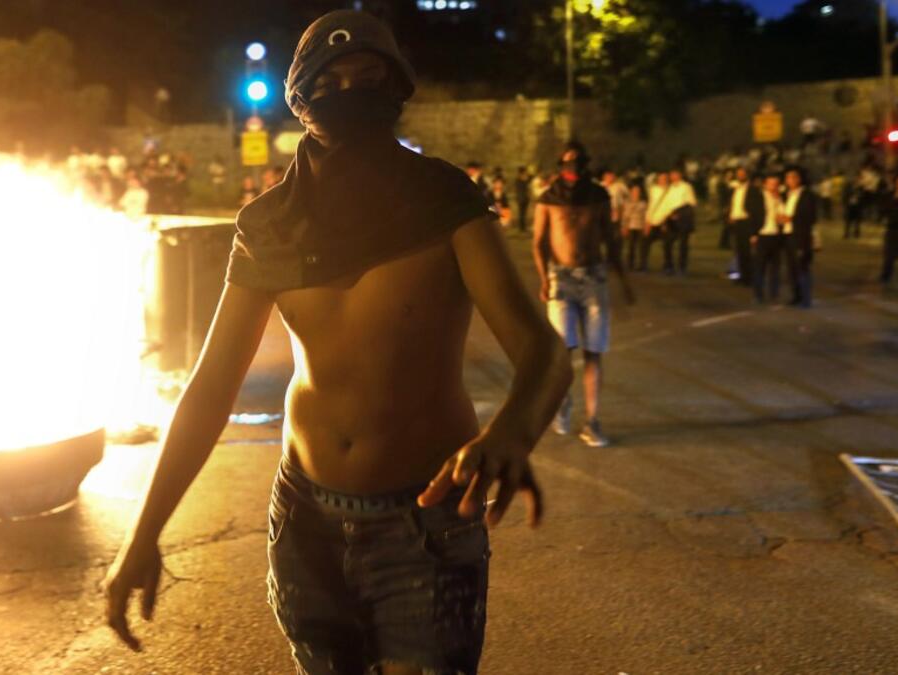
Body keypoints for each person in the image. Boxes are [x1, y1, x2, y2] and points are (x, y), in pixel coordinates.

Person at [104, 11, 572, 675]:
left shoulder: (445, 201)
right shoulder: (268, 226)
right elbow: (209, 389)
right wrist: (142, 535)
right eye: (333, 82)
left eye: (370, 78)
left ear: (398, 91)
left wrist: (512, 432)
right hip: (304, 521)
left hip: (424, 522)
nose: (351, 93)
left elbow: (544, 353)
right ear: (300, 102)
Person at [533, 142, 635, 448]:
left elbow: (611, 239)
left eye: (578, 162)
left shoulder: (598, 196)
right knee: (563, 350)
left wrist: (623, 280)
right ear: (559, 165)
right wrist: (543, 279)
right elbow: (538, 241)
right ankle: (563, 401)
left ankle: (592, 420)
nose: (573, 168)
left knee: (594, 351)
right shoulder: (548, 198)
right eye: (567, 162)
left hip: (594, 279)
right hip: (560, 280)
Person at [751, 173, 794, 304]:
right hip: (763, 234)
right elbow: (753, 216)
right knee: (760, 267)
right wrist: (753, 234)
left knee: (775, 267)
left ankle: (774, 292)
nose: (773, 186)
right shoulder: (759, 197)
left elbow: (785, 215)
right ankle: (758, 294)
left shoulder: (781, 198)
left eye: (776, 184)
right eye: (771, 184)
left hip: (777, 235)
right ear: (765, 184)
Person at [783, 167, 819, 307]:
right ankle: (796, 295)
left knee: (802, 267)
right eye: (788, 178)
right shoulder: (787, 195)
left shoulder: (807, 195)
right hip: (788, 234)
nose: (790, 181)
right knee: (791, 268)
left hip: (801, 235)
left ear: (799, 179)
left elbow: (811, 217)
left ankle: (806, 297)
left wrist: (791, 219)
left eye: (793, 178)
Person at [726, 167, 762, 286]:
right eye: (738, 174)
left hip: (747, 221)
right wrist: (731, 215)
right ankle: (741, 275)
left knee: (748, 251)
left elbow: (756, 208)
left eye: (742, 174)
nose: (740, 176)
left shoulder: (753, 189)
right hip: (737, 222)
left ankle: (749, 277)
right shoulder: (735, 189)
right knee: (739, 250)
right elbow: (734, 204)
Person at [643, 171, 670, 272]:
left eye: (665, 178)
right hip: (653, 220)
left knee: (667, 245)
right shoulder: (653, 190)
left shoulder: (671, 190)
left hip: (665, 220)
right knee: (645, 243)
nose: (663, 180)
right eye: (661, 178)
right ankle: (643, 264)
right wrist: (647, 221)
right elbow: (651, 205)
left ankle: (667, 266)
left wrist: (665, 221)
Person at [621, 182, 647, 271]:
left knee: (642, 247)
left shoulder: (643, 203)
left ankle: (642, 265)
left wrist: (645, 226)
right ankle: (630, 264)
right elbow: (625, 216)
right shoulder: (627, 203)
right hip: (631, 226)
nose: (636, 193)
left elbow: (646, 215)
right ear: (631, 192)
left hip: (640, 226)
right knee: (631, 246)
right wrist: (624, 227)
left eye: (638, 191)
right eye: (634, 191)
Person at [514, 166, 532, 234]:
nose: (526, 173)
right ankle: (522, 228)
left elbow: (531, 177)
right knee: (522, 213)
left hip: (524, 199)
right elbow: (522, 188)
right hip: (521, 199)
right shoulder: (519, 180)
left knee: (523, 213)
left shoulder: (522, 179)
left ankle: (523, 227)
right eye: (525, 172)